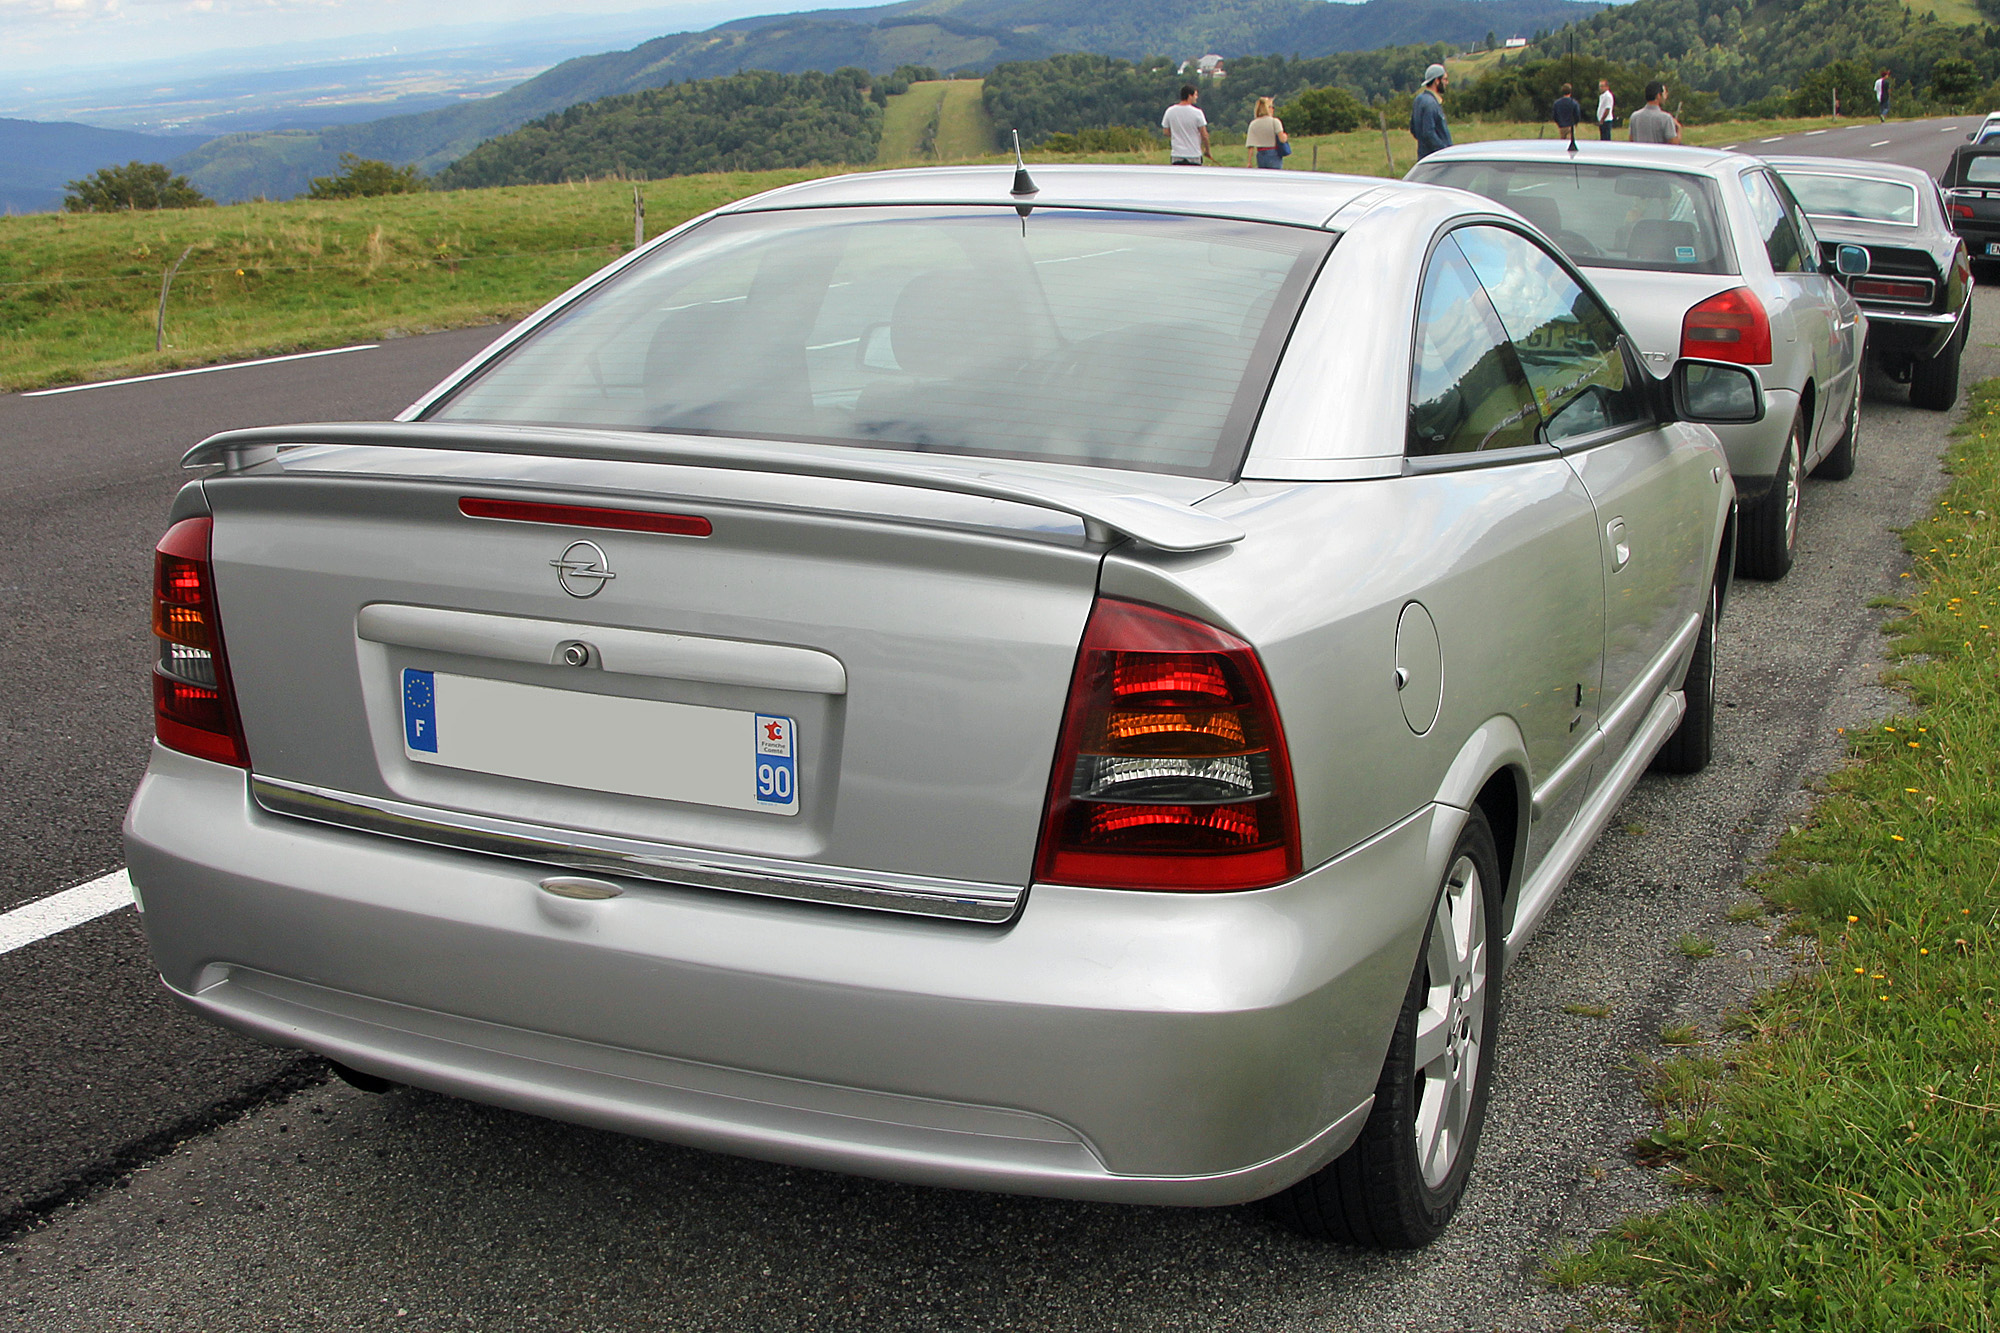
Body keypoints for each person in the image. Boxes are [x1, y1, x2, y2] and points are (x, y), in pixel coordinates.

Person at [1410, 64, 1452, 160]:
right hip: (1437, 159)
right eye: (1444, 79)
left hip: (1424, 157)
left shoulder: (1419, 100)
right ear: (1437, 81)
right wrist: (1444, 151)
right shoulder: (1431, 103)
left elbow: (1413, 129)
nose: (1447, 82)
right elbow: (1428, 133)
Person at [1162, 85, 1210, 166]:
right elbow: (1204, 135)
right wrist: (1207, 150)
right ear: (1189, 96)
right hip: (1194, 155)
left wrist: (1177, 134)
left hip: (1177, 155)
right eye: (1195, 95)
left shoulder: (1170, 111)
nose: (1196, 97)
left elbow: (1166, 132)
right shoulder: (1198, 113)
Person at [1628, 80, 1682, 144]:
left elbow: (1631, 140)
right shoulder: (1666, 118)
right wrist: (1678, 128)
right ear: (1658, 95)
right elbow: (1674, 143)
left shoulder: (1634, 117)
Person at [1246, 96, 1288, 168]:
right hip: (1273, 153)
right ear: (1267, 108)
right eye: (1271, 107)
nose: (1273, 109)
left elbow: (1250, 146)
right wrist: (1285, 136)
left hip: (1260, 154)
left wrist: (1249, 162)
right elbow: (1282, 139)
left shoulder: (1253, 124)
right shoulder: (1275, 121)